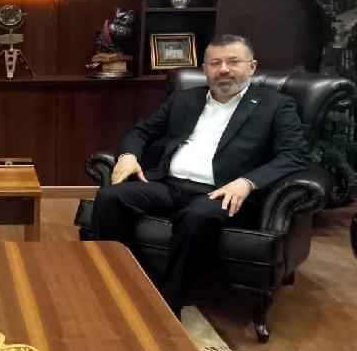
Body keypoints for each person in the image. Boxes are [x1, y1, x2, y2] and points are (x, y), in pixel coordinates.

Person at [90, 34, 309, 317]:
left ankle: (169, 304)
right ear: (205, 69)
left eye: (233, 62)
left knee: (197, 216)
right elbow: (140, 131)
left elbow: (294, 155)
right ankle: (118, 282)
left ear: (251, 66)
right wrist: (129, 155)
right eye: (215, 63)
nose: (223, 69)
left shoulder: (276, 106)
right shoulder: (185, 99)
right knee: (111, 197)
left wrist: (247, 182)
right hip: (169, 184)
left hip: (221, 192)